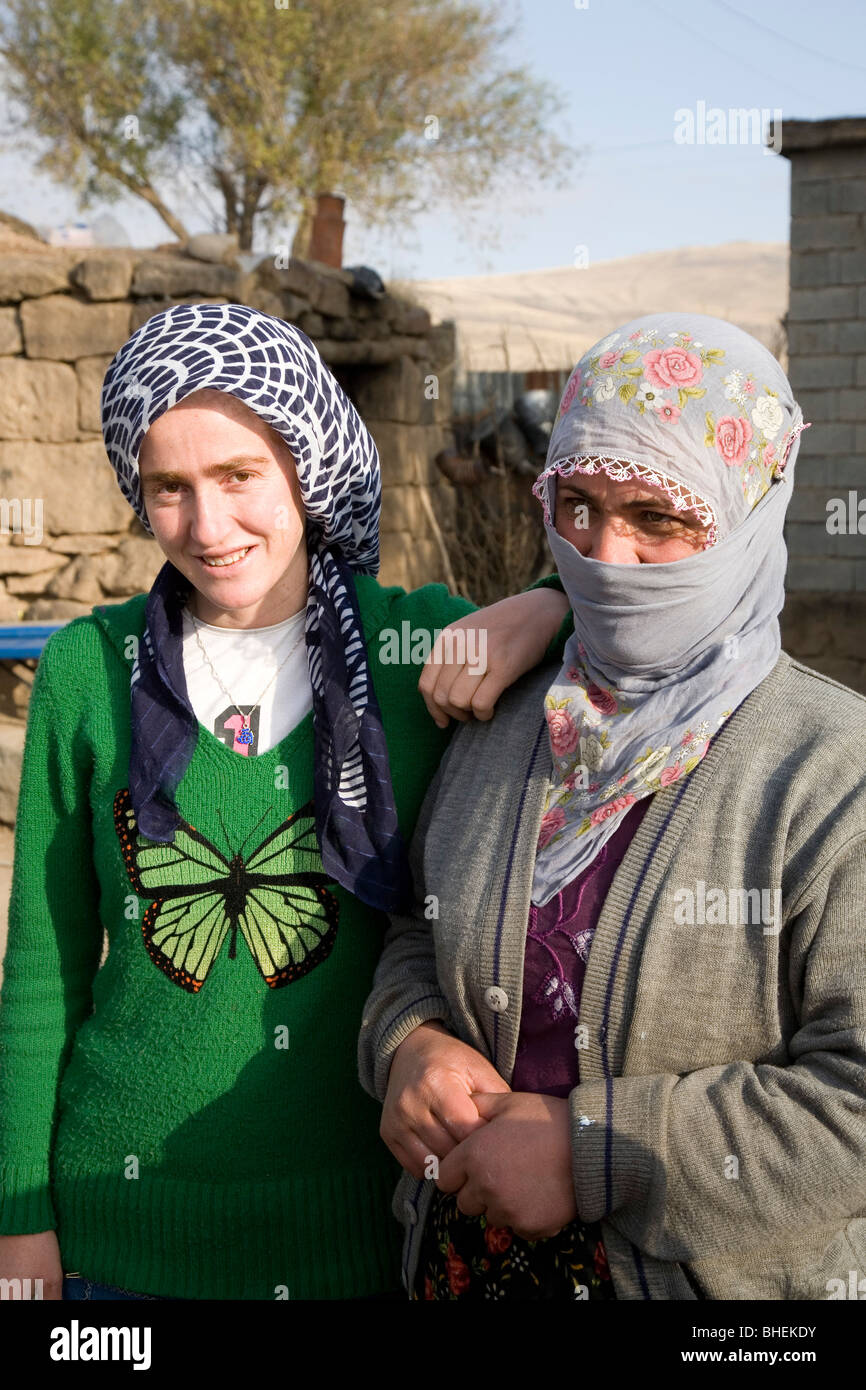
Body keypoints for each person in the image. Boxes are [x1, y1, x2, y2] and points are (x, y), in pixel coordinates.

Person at [0, 302, 571, 1301]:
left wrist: (548, 605)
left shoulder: (420, 648)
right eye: (168, 486)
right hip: (116, 1240)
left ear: (305, 466)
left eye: (238, 476)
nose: (207, 526)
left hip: (351, 1237)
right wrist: (19, 1221)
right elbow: (43, 976)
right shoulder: (90, 670)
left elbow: (639, 635)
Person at [359, 311, 866, 1301]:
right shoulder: (503, 719)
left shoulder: (829, 772)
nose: (607, 556)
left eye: (660, 517)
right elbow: (417, 930)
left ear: (746, 514)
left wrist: (593, 1153)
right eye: (578, 505)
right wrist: (407, 1039)